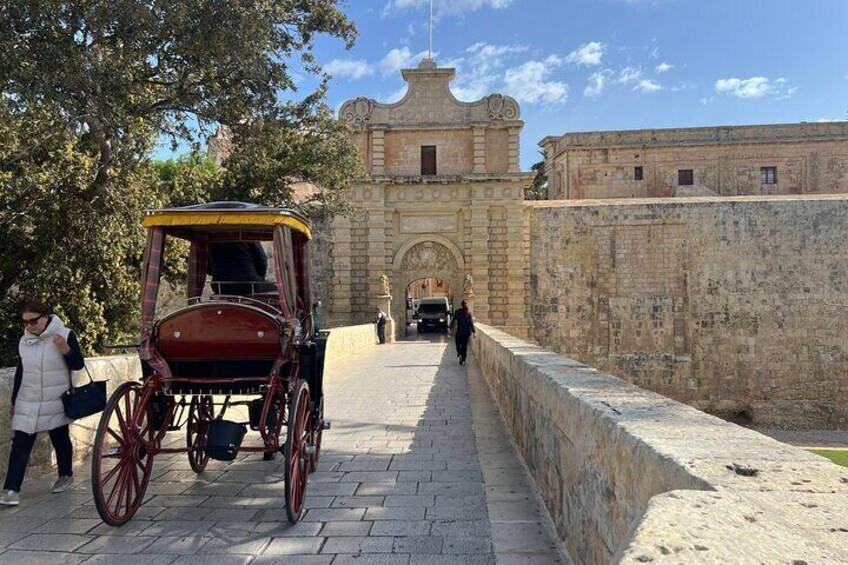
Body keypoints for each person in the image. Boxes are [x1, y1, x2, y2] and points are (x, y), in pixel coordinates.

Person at [1, 301, 85, 506]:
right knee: (21, 443)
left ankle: (66, 475)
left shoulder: (65, 335)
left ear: (46, 316)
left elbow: (78, 364)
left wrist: (65, 350)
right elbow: (22, 371)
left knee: (60, 438)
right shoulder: (24, 341)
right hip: (27, 400)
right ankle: (11, 490)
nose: (29, 326)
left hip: (55, 398)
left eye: (33, 321)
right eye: (25, 322)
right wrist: (14, 401)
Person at [208, 241, 274, 296]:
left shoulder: (212, 236)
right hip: (249, 284)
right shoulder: (246, 231)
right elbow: (262, 260)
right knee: (276, 289)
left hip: (221, 287)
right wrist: (260, 276)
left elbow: (208, 267)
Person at [448, 300, 476, 365]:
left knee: (458, 344)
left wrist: (449, 328)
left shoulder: (457, 312)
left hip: (459, 332)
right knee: (464, 346)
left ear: (461, 305)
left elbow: (453, 320)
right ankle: (463, 359)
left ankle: (459, 354)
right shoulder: (468, 313)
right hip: (466, 333)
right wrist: (474, 332)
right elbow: (471, 324)